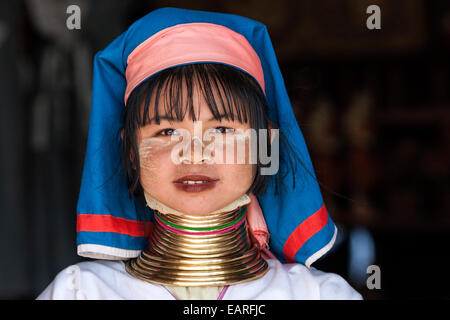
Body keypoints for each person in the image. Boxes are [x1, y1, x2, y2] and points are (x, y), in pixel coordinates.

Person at [37, 7, 362, 300]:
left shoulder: (317, 295)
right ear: (131, 153)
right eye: (166, 132)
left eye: (221, 130)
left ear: (267, 147)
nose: (193, 154)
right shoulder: (81, 292)